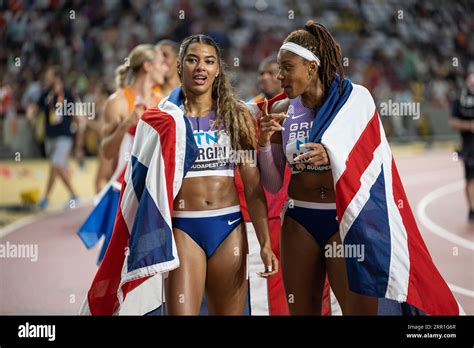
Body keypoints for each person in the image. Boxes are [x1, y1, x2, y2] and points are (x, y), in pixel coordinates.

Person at [257, 21, 379, 315]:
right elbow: (273, 184)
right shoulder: (280, 110)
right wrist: (262, 143)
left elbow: (374, 159)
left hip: (345, 220)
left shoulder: (353, 100)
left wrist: (333, 155)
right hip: (300, 220)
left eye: (287, 67)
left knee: (358, 311)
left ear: (311, 67)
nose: (279, 75)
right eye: (278, 67)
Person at [165, 34, 278, 315]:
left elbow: (253, 187)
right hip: (183, 229)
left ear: (218, 69)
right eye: (192, 60)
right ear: (180, 67)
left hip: (228, 229)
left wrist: (265, 242)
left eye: (209, 61)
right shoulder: (165, 118)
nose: (200, 67)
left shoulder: (236, 115)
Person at [77, 44, 168, 263]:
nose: (166, 68)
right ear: (147, 66)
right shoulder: (118, 102)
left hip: (156, 190)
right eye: (161, 63)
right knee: (118, 261)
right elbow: (106, 151)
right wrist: (125, 124)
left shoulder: (163, 101)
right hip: (124, 191)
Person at [37, 66, 80, 210]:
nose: (46, 78)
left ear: (56, 77)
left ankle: (46, 198)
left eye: (49, 75)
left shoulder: (67, 93)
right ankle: (74, 196)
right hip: (50, 135)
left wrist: (77, 138)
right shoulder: (46, 94)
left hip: (64, 135)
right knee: (57, 167)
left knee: (56, 165)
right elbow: (38, 107)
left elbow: (74, 114)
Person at [450, 73, 474, 222]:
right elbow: (453, 122)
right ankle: (472, 209)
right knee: (471, 179)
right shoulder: (460, 100)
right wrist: (470, 126)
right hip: (468, 147)